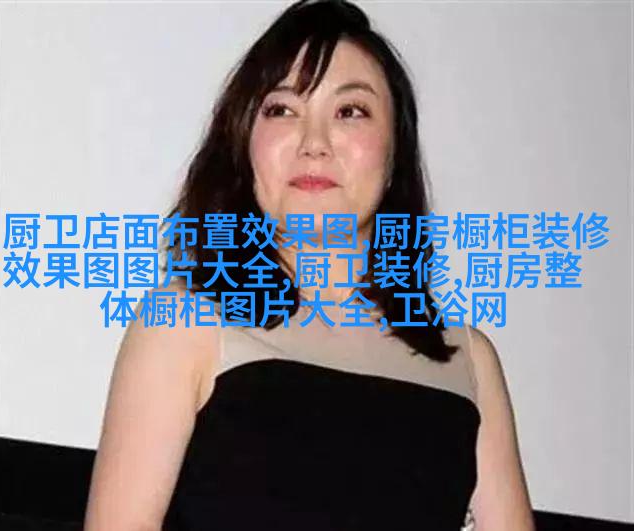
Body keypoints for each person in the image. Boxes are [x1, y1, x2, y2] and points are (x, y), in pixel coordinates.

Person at [84, 1, 535, 530]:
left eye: (351, 112)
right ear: (244, 144)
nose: (314, 144)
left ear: (395, 153)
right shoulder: (185, 323)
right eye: (282, 110)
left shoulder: (468, 360)